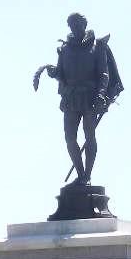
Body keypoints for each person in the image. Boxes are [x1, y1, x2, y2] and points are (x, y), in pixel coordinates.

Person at [45, 12, 110, 183]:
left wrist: (101, 94)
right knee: (70, 138)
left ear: (84, 24)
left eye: (77, 24)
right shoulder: (65, 49)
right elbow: (61, 74)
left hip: (90, 96)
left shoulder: (97, 46)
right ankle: (81, 174)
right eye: (71, 25)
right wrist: (54, 73)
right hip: (71, 97)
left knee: (89, 135)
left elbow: (104, 74)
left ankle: (87, 175)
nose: (74, 27)